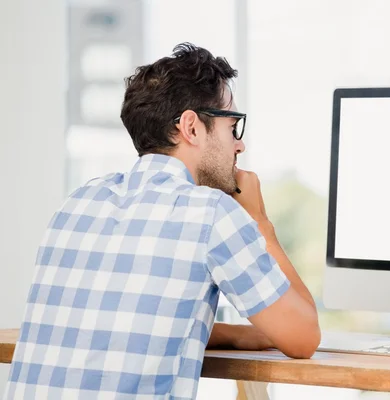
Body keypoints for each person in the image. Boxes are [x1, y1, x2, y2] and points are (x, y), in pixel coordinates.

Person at [4, 42, 320, 399]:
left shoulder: (77, 203)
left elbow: (119, 320)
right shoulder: (210, 212)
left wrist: (237, 334)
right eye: (232, 127)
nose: (239, 146)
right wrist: (261, 221)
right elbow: (303, 337)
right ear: (192, 127)